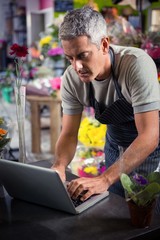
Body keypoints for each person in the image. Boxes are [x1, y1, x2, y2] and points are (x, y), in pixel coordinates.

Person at [51, 5, 160, 208]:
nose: (77, 67)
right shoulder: (71, 78)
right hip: (114, 146)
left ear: (103, 44)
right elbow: (68, 133)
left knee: (147, 215)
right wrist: (59, 166)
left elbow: (150, 136)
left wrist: (104, 179)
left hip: (151, 150)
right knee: (116, 209)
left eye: (83, 55)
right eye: (69, 58)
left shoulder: (136, 65)